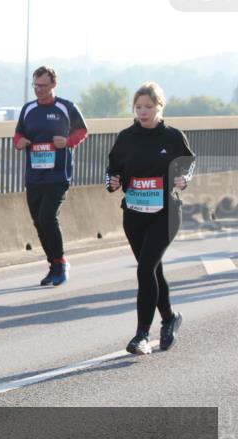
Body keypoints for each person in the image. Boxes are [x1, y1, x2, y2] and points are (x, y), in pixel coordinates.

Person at [106, 82, 194, 355]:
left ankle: (142, 334)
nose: (143, 112)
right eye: (138, 107)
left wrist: (183, 179)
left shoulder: (172, 136)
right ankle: (170, 319)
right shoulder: (125, 137)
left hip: (165, 214)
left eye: (149, 107)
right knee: (152, 269)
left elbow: (188, 164)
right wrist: (112, 182)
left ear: (159, 107)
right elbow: (113, 171)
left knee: (145, 269)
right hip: (134, 214)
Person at [14, 66, 89, 286]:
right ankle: (54, 265)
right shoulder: (28, 109)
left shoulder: (66, 107)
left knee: (48, 218)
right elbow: (18, 134)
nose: (38, 90)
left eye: (43, 86)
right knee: (39, 222)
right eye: (35, 85)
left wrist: (67, 142)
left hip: (58, 175)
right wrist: (19, 142)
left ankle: (61, 261)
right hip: (34, 176)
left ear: (53, 85)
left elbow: (82, 131)